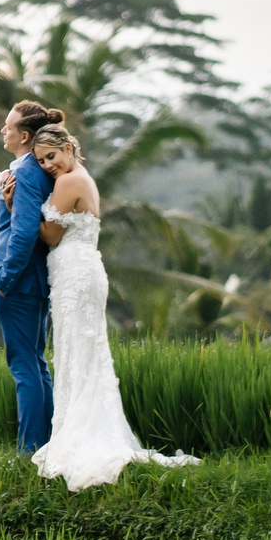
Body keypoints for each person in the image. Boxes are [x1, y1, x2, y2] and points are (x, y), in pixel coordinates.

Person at [26, 120, 199, 489]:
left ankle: (82, 438)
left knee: (77, 352)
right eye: (40, 161)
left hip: (75, 272)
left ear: (69, 148)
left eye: (51, 156)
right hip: (81, 271)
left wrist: (16, 205)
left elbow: (51, 235)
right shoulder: (83, 177)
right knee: (80, 352)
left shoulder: (69, 182)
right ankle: (80, 429)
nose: (47, 165)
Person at [0, 100, 60, 454]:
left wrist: (4, 281)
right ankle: (44, 445)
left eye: (9, 126)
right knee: (35, 363)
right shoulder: (31, 170)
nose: (3, 130)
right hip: (32, 281)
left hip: (19, 283)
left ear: (25, 136)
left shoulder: (29, 173)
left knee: (23, 366)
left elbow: (24, 232)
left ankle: (30, 450)